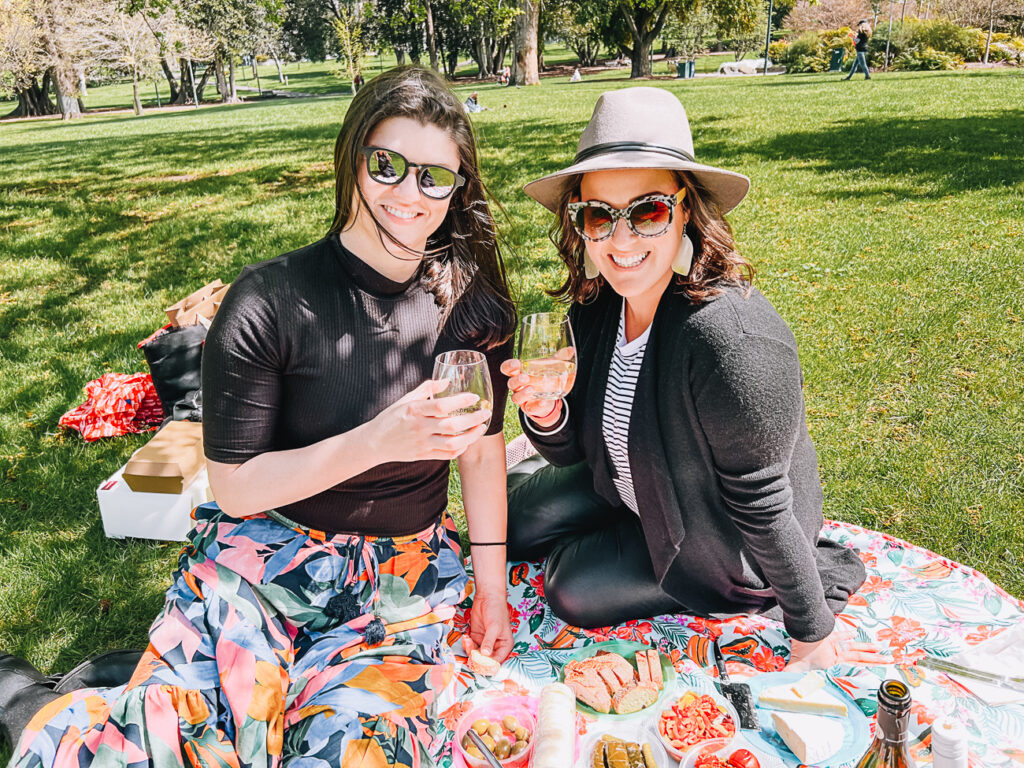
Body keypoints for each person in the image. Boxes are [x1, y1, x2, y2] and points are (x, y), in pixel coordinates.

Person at [2, 66, 517, 767]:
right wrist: (379, 439)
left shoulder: (472, 305)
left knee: (351, 750)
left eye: (435, 177)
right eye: (388, 164)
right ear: (353, 159)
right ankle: (25, 697)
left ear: (458, 188)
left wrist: (491, 589)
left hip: (402, 582)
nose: (409, 193)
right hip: (264, 557)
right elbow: (237, 488)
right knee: (176, 744)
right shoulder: (267, 300)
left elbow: (484, 453)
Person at [502, 87, 871, 670]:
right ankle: (568, 501)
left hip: (714, 538)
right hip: (630, 484)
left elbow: (764, 502)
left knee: (568, 588)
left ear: (686, 208)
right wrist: (548, 414)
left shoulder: (732, 341)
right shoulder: (598, 306)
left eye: (646, 211)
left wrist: (812, 628)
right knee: (509, 522)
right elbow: (571, 446)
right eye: (599, 214)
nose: (620, 241)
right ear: (579, 221)